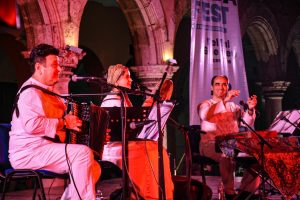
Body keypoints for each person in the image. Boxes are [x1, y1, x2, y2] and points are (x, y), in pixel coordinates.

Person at [9, 43, 101, 200]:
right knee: (82, 154)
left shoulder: (51, 91)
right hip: (28, 152)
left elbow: (66, 117)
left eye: (59, 65)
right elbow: (32, 125)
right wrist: (63, 122)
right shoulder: (30, 93)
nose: (59, 69)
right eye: (54, 65)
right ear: (39, 67)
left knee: (94, 167)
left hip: (45, 148)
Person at [101, 64, 174, 200]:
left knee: (156, 148)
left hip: (126, 143)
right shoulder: (112, 102)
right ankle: (147, 194)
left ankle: (159, 193)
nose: (131, 80)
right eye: (127, 77)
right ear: (116, 81)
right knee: (150, 150)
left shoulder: (123, 99)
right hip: (115, 147)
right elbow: (122, 131)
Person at [197, 75, 260, 200]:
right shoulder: (205, 104)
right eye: (217, 84)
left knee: (257, 158)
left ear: (228, 87)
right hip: (210, 144)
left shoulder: (233, 107)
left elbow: (247, 122)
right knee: (227, 154)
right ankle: (229, 193)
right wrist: (224, 100)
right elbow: (206, 115)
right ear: (211, 87)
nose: (221, 87)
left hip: (233, 144)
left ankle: (246, 193)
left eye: (224, 84)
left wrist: (251, 110)